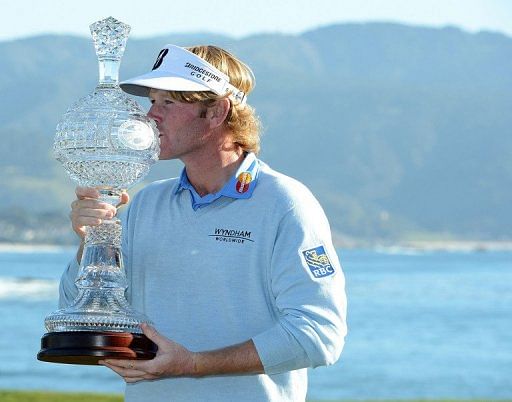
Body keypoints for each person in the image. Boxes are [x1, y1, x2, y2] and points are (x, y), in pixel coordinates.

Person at [61, 44, 347, 402]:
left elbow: (319, 336)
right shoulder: (147, 203)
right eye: (152, 101)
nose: (151, 116)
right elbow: (79, 310)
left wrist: (194, 364)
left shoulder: (285, 203)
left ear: (215, 112)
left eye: (168, 103)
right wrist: (90, 242)